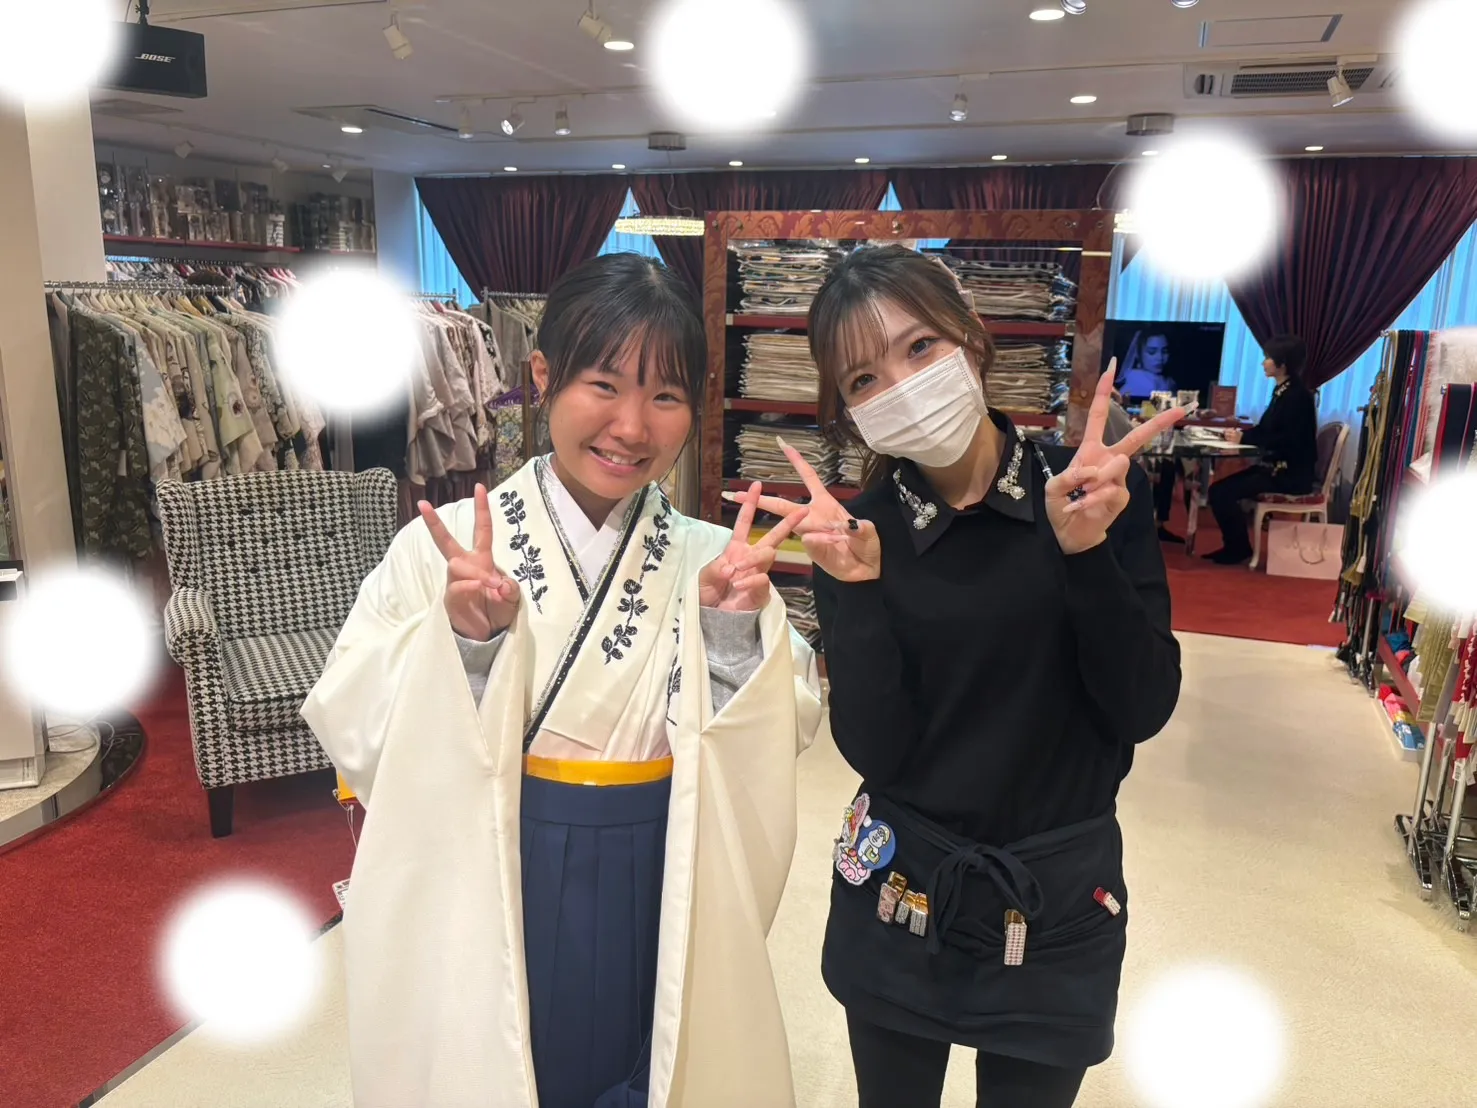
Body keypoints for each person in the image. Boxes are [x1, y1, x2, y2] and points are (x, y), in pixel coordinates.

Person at [302, 253, 824, 1108]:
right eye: (603, 385)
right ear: (543, 376)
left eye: (665, 396)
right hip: (493, 861)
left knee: (654, 1064)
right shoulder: (442, 551)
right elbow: (352, 720)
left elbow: (782, 730)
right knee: (494, 1065)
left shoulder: (709, 561)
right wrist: (461, 644)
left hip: (660, 866)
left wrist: (731, 637)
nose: (632, 427)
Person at [750, 245, 1184, 1108]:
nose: (902, 386)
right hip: (901, 888)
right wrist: (858, 593)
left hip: (1058, 898)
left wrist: (1085, 556)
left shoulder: (1088, 492)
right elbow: (875, 750)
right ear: (849, 412)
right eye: (864, 379)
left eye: (919, 348)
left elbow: (1140, 706)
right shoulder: (857, 534)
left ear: (971, 338)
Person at [1203, 334, 1318, 565]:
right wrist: (1241, 435)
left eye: (1268, 358)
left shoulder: (1296, 397)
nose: (1263, 363)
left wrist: (1245, 437)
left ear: (1282, 363)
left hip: (1288, 475)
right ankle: (1237, 546)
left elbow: (1286, 439)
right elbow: (1267, 430)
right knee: (1219, 490)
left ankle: (1238, 548)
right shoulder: (1284, 391)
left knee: (1220, 493)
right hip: (1276, 468)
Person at [1115, 329, 1175, 397]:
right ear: (1138, 353)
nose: (1160, 357)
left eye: (1164, 351)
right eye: (1151, 352)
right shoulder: (1136, 384)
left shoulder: (1168, 381)